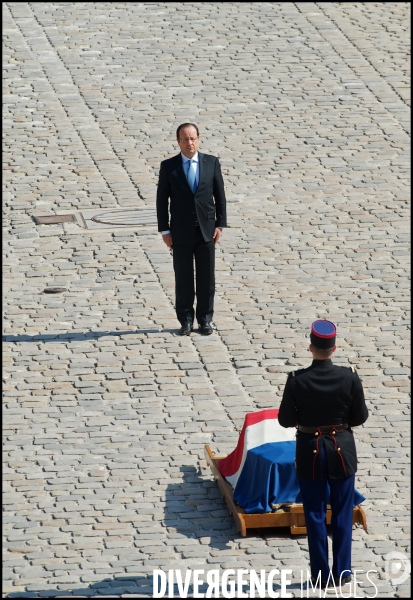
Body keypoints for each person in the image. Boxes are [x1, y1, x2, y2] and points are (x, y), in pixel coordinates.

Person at [278, 320, 368, 590]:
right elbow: (360, 417)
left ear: (310, 348)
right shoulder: (350, 377)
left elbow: (284, 419)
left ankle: (319, 574)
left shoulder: (297, 380)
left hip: (310, 452)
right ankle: (342, 572)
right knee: (342, 511)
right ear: (334, 348)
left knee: (314, 513)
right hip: (342, 450)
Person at [156, 123, 227, 335]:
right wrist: (165, 230)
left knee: (207, 278)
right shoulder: (169, 167)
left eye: (193, 138)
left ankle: (205, 319)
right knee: (184, 278)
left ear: (199, 139)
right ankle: (185, 320)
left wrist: (220, 224)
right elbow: (162, 200)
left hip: (206, 230)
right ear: (178, 141)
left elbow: (220, 195)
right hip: (180, 232)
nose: (190, 143)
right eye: (185, 139)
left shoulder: (211, 163)